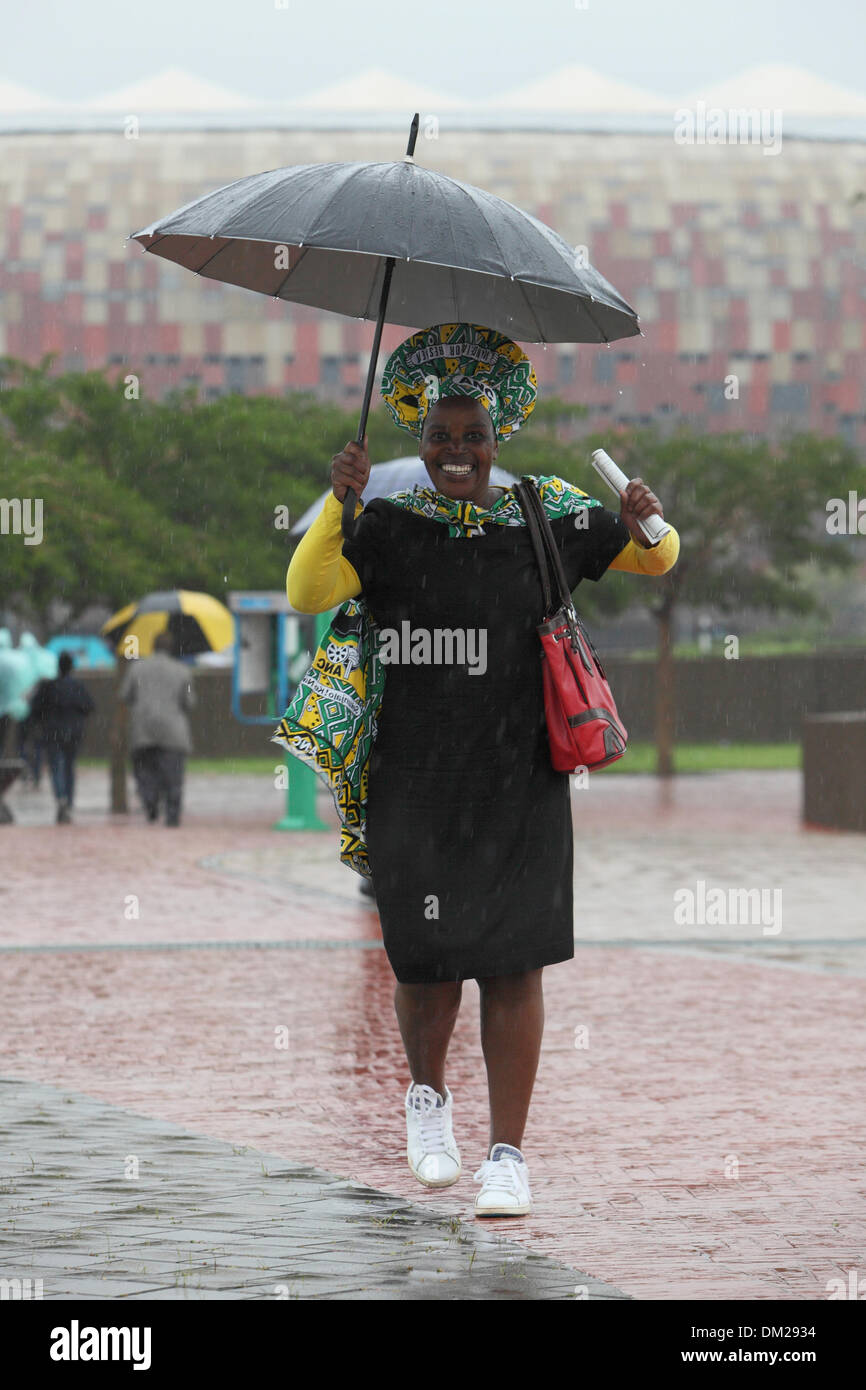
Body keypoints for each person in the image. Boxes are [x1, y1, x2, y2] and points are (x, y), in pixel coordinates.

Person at [285, 322, 680, 1217]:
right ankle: (427, 1102)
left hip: (521, 785)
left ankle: (508, 1156)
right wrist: (336, 504)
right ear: (418, 440)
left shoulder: (545, 511)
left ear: (498, 440)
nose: (456, 451)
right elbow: (308, 592)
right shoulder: (380, 525)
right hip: (413, 787)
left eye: (473, 436)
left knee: (515, 967)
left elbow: (659, 557)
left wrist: (644, 514)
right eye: (439, 436)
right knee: (424, 965)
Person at [119, 630, 195, 827]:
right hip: (173, 731)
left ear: (152, 646)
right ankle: (172, 815)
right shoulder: (183, 671)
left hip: (143, 729)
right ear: (170, 648)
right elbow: (189, 701)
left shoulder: (136, 669)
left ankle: (150, 801)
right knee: (173, 776)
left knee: (144, 771)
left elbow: (125, 695)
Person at [28, 651, 95, 823]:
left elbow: (35, 709)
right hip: (73, 733)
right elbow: (89, 707)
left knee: (56, 766)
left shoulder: (49, 687)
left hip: (52, 732)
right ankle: (69, 801)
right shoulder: (78, 687)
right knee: (69, 767)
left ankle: (61, 798)